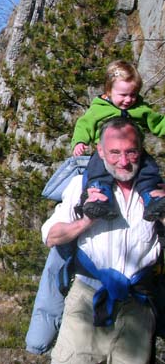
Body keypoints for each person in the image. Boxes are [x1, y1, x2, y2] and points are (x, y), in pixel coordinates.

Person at [44, 117, 162, 363]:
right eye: (115, 152)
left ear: (141, 149)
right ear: (100, 151)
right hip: (87, 301)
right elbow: (51, 236)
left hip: (137, 306)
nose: (123, 161)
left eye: (131, 152)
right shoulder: (82, 186)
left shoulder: (157, 192)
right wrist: (86, 220)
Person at [72, 60, 165, 221]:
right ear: (108, 91)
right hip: (106, 154)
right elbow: (84, 124)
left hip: (135, 151)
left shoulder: (140, 109)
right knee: (97, 170)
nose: (128, 100)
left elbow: (158, 123)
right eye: (123, 95)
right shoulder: (99, 109)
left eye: (133, 95)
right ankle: (100, 197)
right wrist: (80, 141)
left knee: (148, 168)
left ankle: (151, 196)